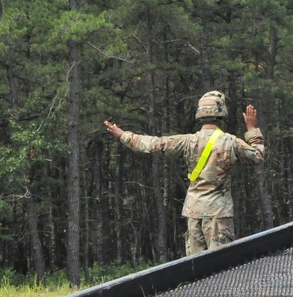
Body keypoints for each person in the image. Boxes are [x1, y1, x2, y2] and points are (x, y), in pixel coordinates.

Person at [104, 90, 265, 256]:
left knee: (195, 269)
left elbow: (153, 144)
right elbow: (257, 156)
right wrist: (252, 130)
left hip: (193, 213)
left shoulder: (187, 141)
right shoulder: (230, 142)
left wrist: (123, 135)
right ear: (222, 113)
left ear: (200, 114)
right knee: (221, 267)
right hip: (219, 214)